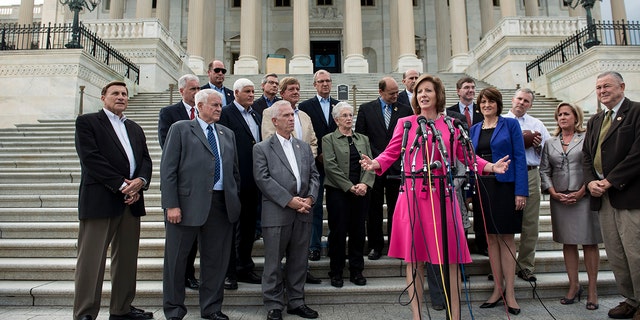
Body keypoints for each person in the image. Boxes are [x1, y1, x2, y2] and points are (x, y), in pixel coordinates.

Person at [360, 74, 509, 320]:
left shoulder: (450, 125)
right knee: (415, 260)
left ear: (438, 94)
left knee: (450, 258)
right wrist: (374, 162)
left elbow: (467, 155)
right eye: (419, 92)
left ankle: (456, 315)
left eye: (428, 90)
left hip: (443, 197)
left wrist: (491, 167)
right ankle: (417, 316)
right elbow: (392, 152)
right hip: (413, 197)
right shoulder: (406, 122)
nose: (423, 95)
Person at [73, 81, 153, 320]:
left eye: (124, 94)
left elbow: (145, 160)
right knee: (91, 260)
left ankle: (122, 309)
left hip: (131, 202)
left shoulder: (135, 128)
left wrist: (140, 181)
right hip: (100, 200)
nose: (121, 97)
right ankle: (85, 312)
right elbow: (91, 159)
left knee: (127, 259)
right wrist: (123, 185)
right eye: (115, 93)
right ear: (103, 97)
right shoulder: (88, 122)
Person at [160, 89, 240, 320]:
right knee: (176, 261)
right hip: (185, 206)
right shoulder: (181, 129)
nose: (219, 109)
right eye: (214, 105)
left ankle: (212, 308)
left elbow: (234, 171)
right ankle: (174, 309)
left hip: (221, 205)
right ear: (200, 106)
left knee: (215, 261)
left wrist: (233, 199)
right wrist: (171, 204)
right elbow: (168, 171)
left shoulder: (227, 133)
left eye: (220, 105)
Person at [253, 101, 321, 320]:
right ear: (274, 121)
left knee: (299, 260)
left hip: (303, 211)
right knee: (273, 262)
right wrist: (289, 200)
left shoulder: (303, 146)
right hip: (277, 212)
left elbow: (314, 175)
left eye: (292, 115)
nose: (292, 118)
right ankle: (273, 304)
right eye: (286, 115)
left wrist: (310, 198)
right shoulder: (262, 148)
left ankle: (296, 301)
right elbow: (263, 179)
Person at [583, 71, 640, 320]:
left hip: (628, 195)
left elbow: (637, 154)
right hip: (603, 198)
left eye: (607, 86)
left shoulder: (636, 112)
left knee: (635, 251)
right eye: (598, 87)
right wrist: (590, 182)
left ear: (622, 86)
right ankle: (630, 299)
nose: (602, 91)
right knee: (616, 253)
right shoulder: (595, 120)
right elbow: (586, 156)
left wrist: (610, 181)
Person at [470, 87, 528, 316]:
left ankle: (511, 293)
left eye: (490, 101)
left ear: (498, 104)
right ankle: (497, 290)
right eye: (483, 102)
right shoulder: (474, 129)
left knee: (506, 239)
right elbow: (470, 160)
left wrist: (521, 191)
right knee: (491, 240)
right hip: (483, 187)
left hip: (506, 187)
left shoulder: (510, 124)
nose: (486, 105)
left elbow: (520, 157)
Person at [540, 102, 601, 310]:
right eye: (559, 115)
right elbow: (544, 170)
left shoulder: (587, 138)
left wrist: (583, 190)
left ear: (576, 117)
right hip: (560, 199)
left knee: (589, 242)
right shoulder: (550, 142)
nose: (562, 117)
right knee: (568, 242)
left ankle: (592, 289)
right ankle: (574, 286)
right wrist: (553, 192)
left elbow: (594, 166)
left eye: (567, 114)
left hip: (583, 196)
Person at [355, 76, 413, 260]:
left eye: (397, 92)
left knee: (398, 209)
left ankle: (399, 245)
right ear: (380, 92)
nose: (396, 95)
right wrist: (376, 159)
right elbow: (361, 138)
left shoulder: (405, 109)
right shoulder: (366, 109)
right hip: (374, 167)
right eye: (392, 93)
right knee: (374, 209)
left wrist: (397, 158)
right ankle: (375, 246)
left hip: (397, 168)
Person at [323, 102, 375, 288]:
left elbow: (371, 164)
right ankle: (336, 272)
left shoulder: (363, 139)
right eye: (344, 115)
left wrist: (364, 184)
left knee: (358, 232)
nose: (348, 118)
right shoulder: (328, 139)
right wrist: (349, 187)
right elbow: (330, 166)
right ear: (336, 120)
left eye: (350, 115)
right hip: (339, 192)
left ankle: (356, 270)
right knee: (338, 233)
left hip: (361, 192)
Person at [157, 74, 201, 290]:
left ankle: (189, 274)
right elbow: (167, 146)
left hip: (200, 187)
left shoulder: (204, 113)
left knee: (193, 239)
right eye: (192, 89)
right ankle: (175, 280)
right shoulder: (168, 113)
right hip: (179, 183)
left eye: (198, 88)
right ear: (182, 90)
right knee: (177, 240)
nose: (196, 92)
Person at [217, 78, 262, 290]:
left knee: (249, 229)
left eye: (253, 91)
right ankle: (229, 272)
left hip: (253, 182)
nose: (252, 95)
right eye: (247, 91)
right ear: (235, 93)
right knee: (231, 230)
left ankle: (245, 266)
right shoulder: (225, 114)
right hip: (234, 181)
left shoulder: (255, 114)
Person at [504, 87, 550, 282]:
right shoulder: (501, 121)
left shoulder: (536, 124)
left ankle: (525, 265)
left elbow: (548, 153)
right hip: (507, 173)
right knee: (504, 222)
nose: (521, 103)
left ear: (530, 104)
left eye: (526, 101)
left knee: (530, 222)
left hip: (531, 172)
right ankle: (502, 265)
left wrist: (537, 145)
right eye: (519, 99)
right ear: (512, 99)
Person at [298, 69, 340, 262]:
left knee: (335, 206)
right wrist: (317, 155)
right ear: (314, 84)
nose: (325, 84)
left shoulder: (339, 106)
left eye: (328, 81)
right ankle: (313, 245)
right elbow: (305, 133)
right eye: (321, 81)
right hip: (314, 163)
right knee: (313, 205)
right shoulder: (305, 107)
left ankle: (334, 243)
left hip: (336, 165)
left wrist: (331, 155)